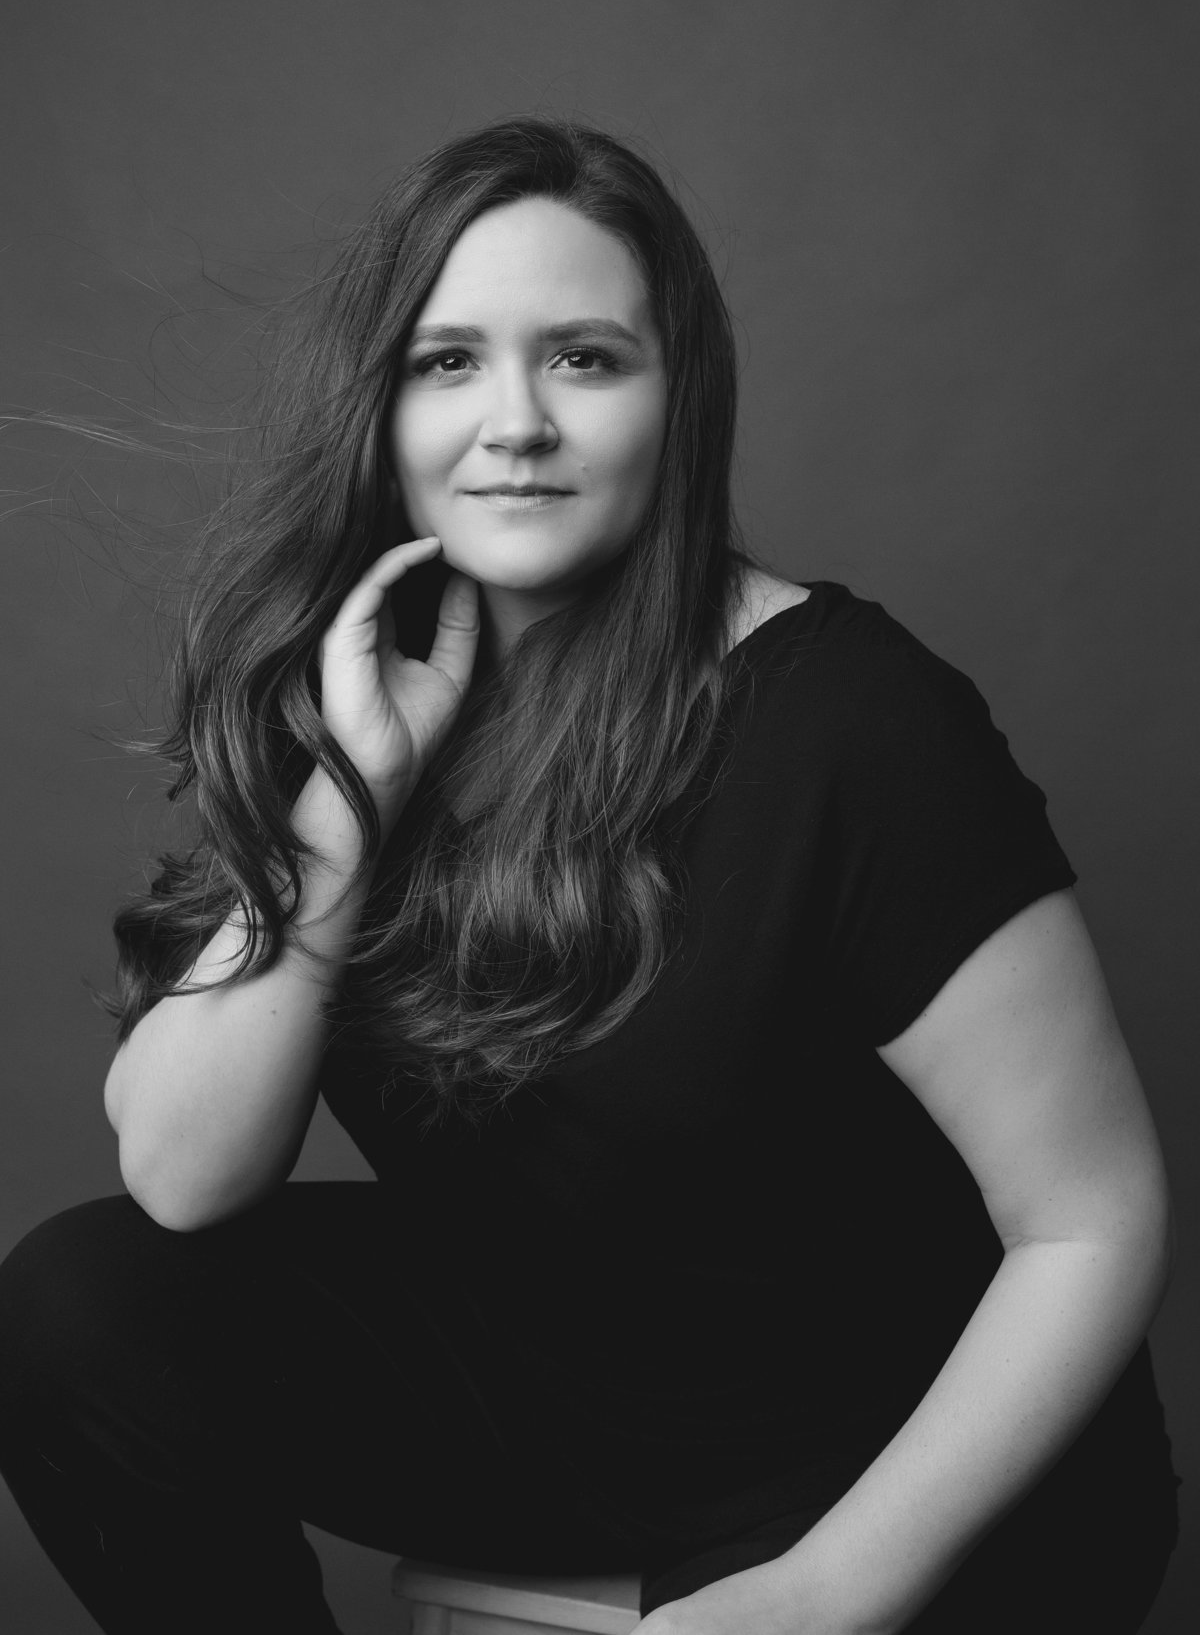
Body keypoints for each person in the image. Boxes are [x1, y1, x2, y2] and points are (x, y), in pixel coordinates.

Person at [0, 117, 1179, 1635]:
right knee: (80, 1306)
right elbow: (181, 1175)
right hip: (573, 1403)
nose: (515, 424)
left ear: (677, 401)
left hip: (888, 1454)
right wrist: (354, 801)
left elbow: (1094, 1220)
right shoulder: (359, 689)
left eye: (584, 359)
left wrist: (827, 1593)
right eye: (448, 363)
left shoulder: (854, 722)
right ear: (383, 409)